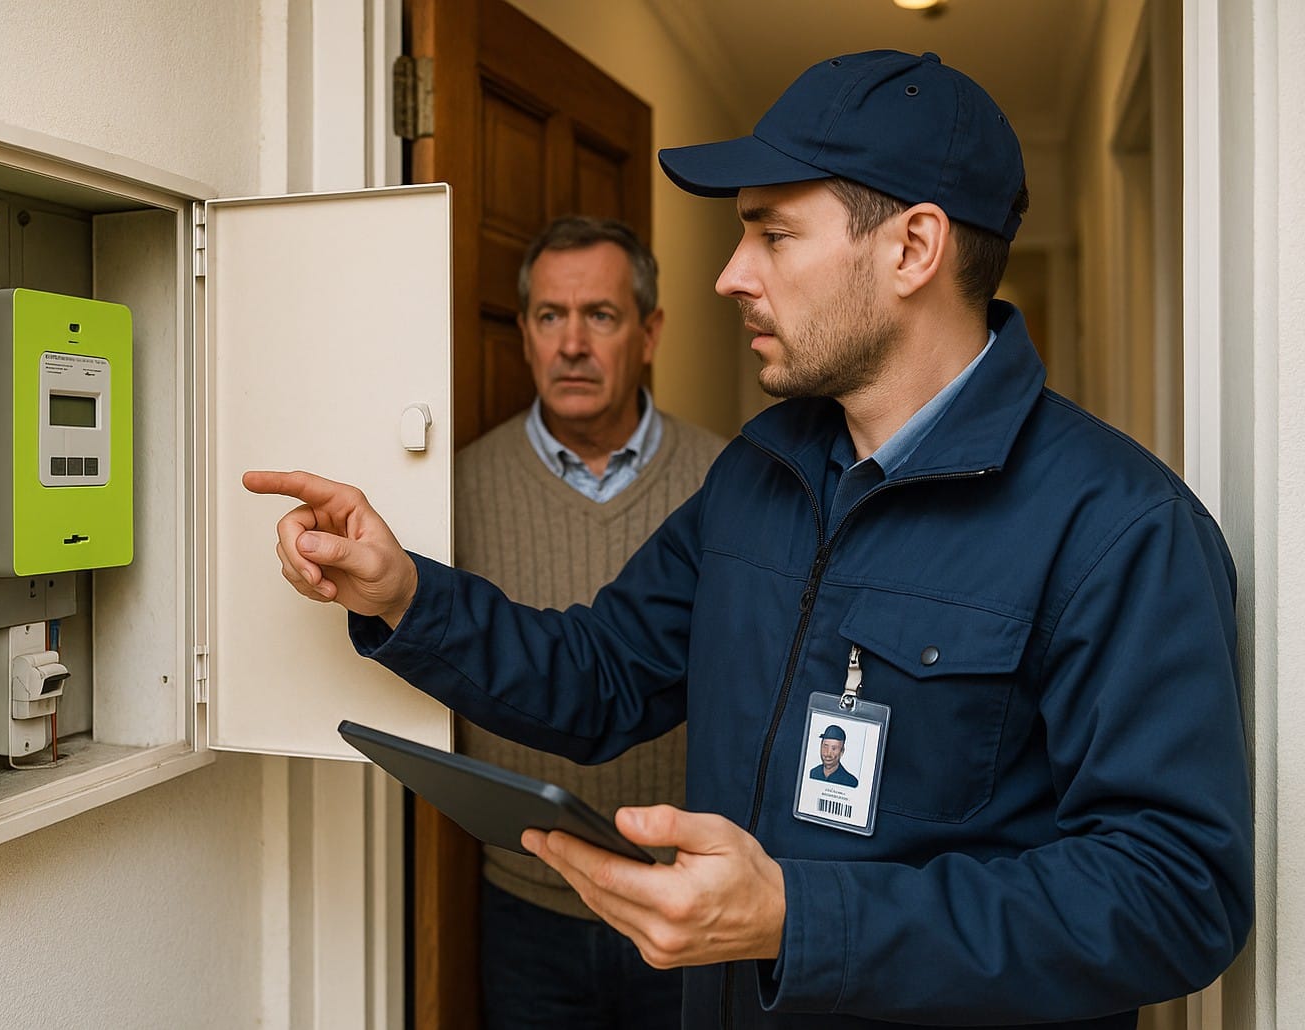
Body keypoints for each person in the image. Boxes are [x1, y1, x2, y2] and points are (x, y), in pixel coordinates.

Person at [244, 49, 1252, 1029]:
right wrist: (403, 595)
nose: (730, 276)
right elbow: (602, 675)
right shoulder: (758, 473)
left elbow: (1174, 892)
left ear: (912, 247)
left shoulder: (1119, 526)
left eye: (772, 236)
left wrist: (798, 919)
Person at [455, 214, 723, 1029]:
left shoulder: (729, 482)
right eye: (549, 316)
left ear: (648, 333)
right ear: (526, 336)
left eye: (600, 316)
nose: (572, 343)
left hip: (685, 911)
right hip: (525, 908)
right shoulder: (458, 487)